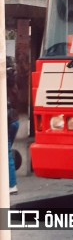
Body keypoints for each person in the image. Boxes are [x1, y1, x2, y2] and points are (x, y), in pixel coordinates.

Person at [6, 56, 19, 195]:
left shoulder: (5, 82)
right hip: (14, 120)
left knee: (6, 152)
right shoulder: (13, 82)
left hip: (7, 120)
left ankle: (12, 184)